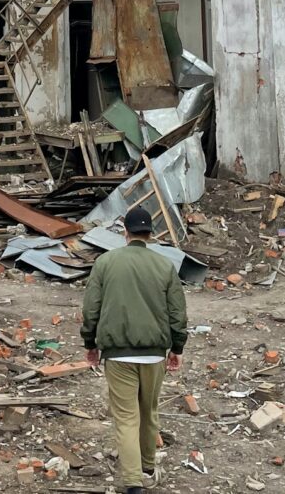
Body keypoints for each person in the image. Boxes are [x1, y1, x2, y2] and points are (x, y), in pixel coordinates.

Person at [81, 206, 188, 494]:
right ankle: (148, 470)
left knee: (127, 418)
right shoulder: (164, 265)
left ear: (125, 232)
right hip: (154, 354)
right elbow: (177, 312)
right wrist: (177, 347)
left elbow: (91, 309)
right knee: (149, 412)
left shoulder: (105, 262)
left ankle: (132, 483)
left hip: (117, 355)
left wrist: (90, 343)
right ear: (150, 233)